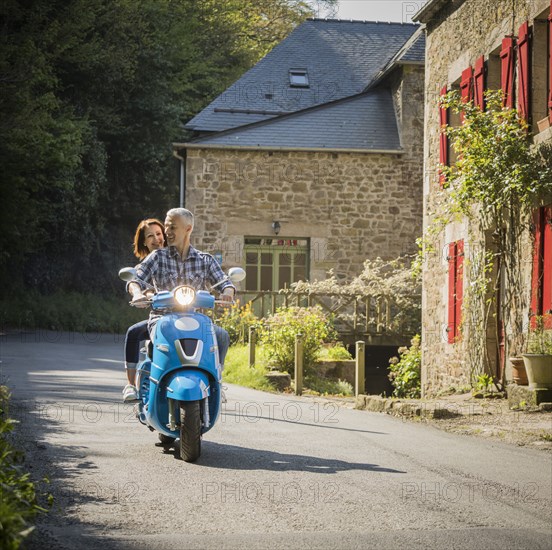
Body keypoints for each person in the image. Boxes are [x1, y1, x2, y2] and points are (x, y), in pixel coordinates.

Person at [124, 208, 235, 401]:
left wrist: (227, 292)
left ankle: (217, 381)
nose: (166, 232)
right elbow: (136, 279)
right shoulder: (157, 257)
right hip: (163, 318)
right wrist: (137, 293)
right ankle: (144, 384)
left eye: (172, 227)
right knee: (142, 334)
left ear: (188, 228)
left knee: (222, 335)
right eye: (166, 226)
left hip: (197, 320)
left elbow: (225, 282)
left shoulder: (205, 260)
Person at [122, 219, 166, 403]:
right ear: (144, 243)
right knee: (133, 332)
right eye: (150, 236)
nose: (156, 239)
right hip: (161, 319)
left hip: (186, 315)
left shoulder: (180, 257)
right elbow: (136, 281)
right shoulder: (145, 265)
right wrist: (141, 292)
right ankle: (131, 385)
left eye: (159, 233)